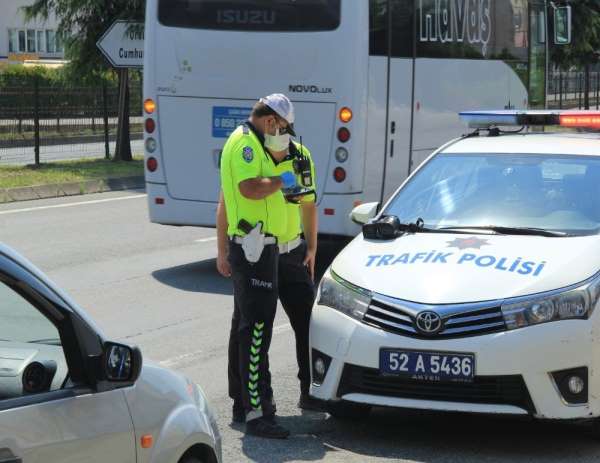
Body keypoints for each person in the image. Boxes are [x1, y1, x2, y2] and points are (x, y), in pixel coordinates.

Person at [217, 96, 321, 426]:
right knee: (254, 328)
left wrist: (312, 246)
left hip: (290, 250)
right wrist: (221, 251)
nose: (286, 133)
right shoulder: (243, 145)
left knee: (307, 319)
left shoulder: (298, 153)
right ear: (270, 121)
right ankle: (254, 407)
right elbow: (243, 191)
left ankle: (311, 388)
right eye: (283, 126)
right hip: (255, 249)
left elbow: (306, 203)